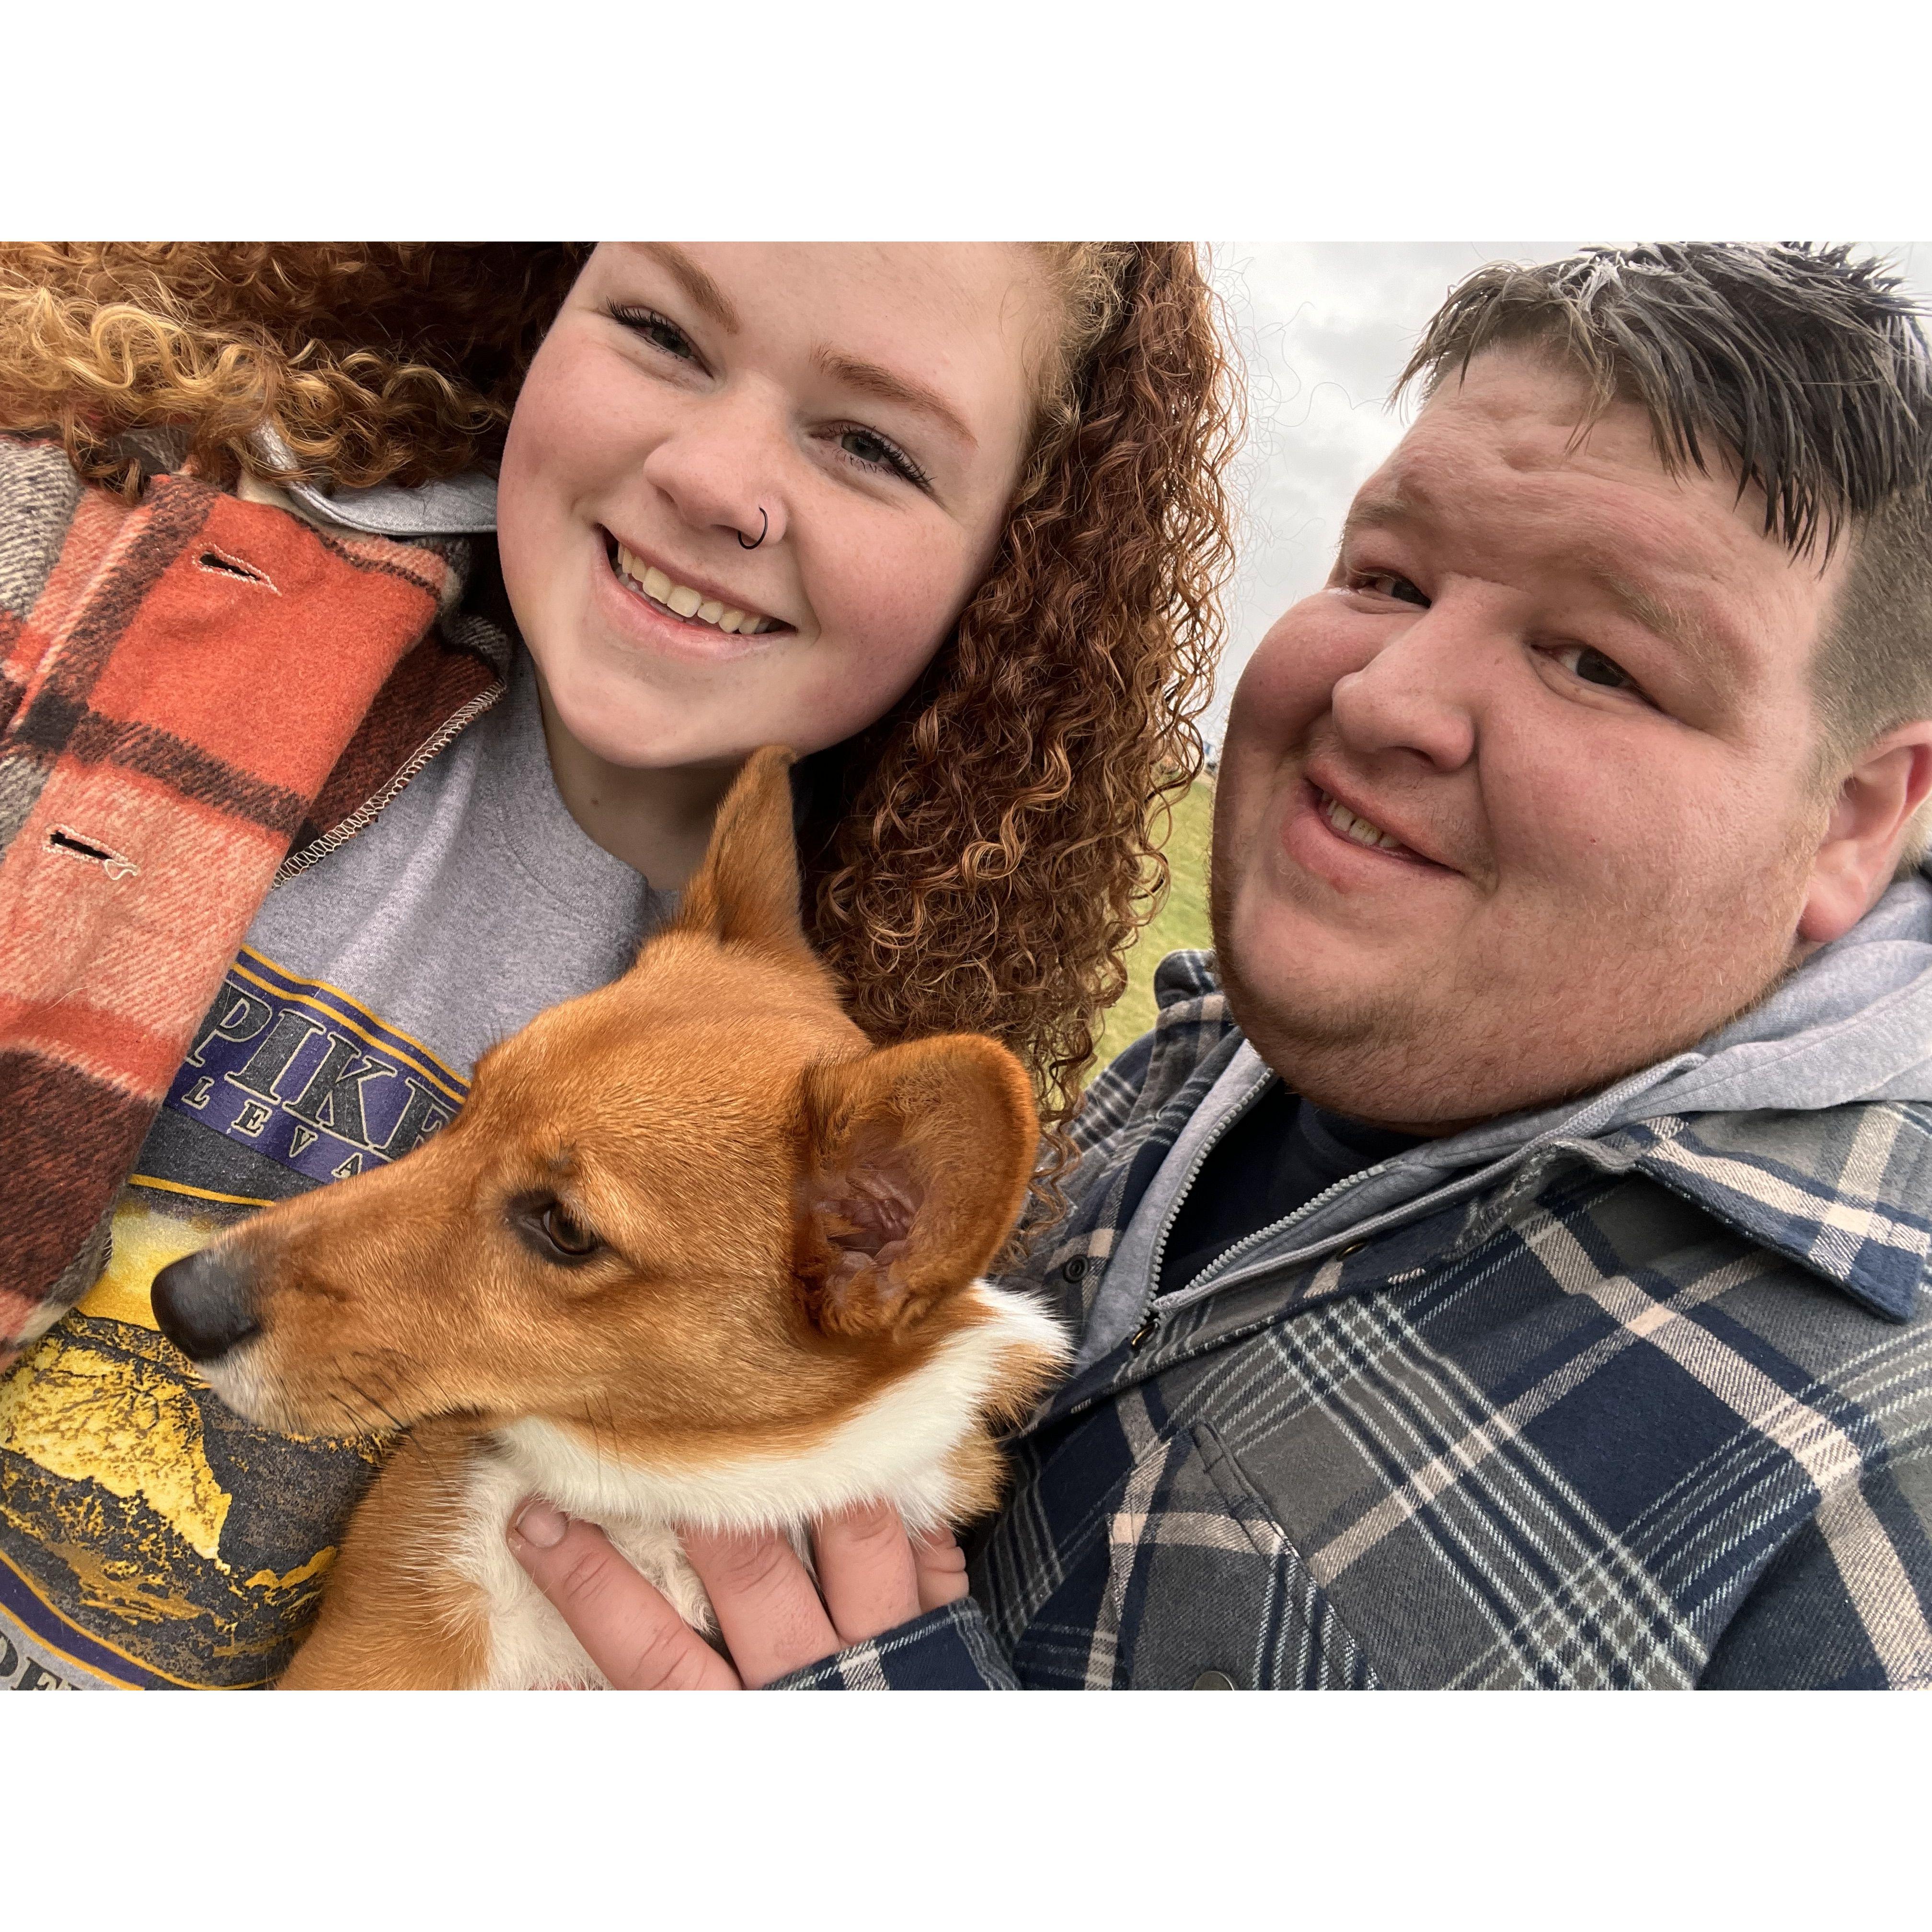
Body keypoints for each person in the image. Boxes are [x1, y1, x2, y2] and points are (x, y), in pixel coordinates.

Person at [510, 241, 1932, 1690]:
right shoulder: (1186, 1074)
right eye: (1388, 576)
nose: (1385, 696)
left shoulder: (1878, 1472)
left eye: (1598, 664)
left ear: (1856, 818)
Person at [0, 242, 1240, 1690]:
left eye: (871, 444)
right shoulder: (74, 559)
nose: (714, 480)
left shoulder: (840, 1065)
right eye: (661, 328)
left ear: (1019, 559)